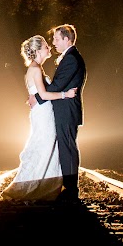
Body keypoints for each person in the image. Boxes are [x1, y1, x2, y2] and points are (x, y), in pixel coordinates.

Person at [2, 35, 77, 202]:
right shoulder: (35, 69)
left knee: (47, 147)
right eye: (45, 46)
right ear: (37, 51)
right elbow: (43, 95)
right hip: (43, 114)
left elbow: (38, 94)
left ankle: (45, 187)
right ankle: (29, 187)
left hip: (43, 112)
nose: (49, 48)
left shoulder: (36, 68)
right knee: (42, 146)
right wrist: (65, 94)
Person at [37, 23, 86, 203]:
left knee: (68, 149)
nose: (54, 42)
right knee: (66, 148)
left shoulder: (71, 59)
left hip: (67, 110)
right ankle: (69, 187)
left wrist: (38, 96)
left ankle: (71, 189)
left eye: (57, 39)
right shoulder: (70, 57)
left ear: (67, 39)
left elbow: (59, 85)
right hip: (65, 110)